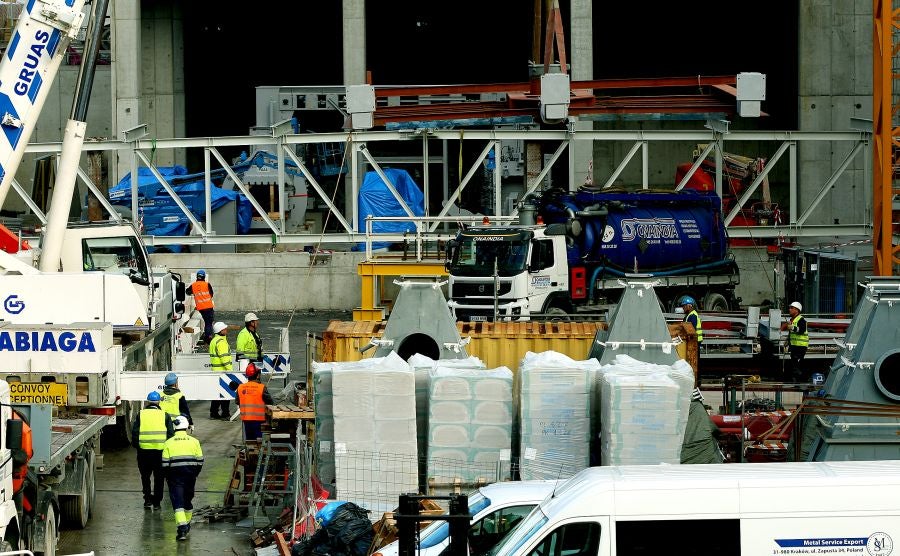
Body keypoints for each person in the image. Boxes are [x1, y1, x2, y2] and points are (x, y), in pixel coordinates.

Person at [162, 416, 204, 541]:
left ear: (174, 427)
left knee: (178, 502)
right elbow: (200, 461)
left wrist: (168, 476)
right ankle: (187, 524)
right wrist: (195, 474)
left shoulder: (168, 442)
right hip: (190, 475)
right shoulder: (194, 441)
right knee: (187, 501)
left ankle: (182, 530)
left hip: (175, 476)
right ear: (186, 427)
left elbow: (165, 463)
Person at [132, 391, 175, 510]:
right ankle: (157, 503)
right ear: (159, 402)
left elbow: (135, 432)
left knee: (145, 477)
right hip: (160, 452)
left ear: (148, 402)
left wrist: (137, 446)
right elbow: (170, 435)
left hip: (144, 452)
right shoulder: (165, 415)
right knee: (159, 478)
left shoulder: (141, 414)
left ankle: (147, 500)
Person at [232, 362, 274, 441]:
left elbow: (237, 401)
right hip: (259, 420)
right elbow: (270, 402)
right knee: (259, 441)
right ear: (258, 375)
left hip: (246, 419)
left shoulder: (240, 387)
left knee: (250, 441)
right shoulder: (261, 387)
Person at [209, 321, 233, 419]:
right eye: (224, 329)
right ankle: (225, 413)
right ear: (220, 331)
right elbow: (225, 358)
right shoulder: (221, 342)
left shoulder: (214, 340)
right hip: (223, 371)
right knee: (226, 394)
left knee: (217, 393)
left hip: (216, 370)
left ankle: (214, 412)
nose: (226, 330)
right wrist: (230, 370)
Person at [781, 301, 808, 382]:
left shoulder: (801, 320)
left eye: (791, 308)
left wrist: (793, 327)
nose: (789, 309)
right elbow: (791, 333)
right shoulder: (792, 320)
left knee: (797, 365)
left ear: (797, 310)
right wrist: (787, 340)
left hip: (800, 346)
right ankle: (796, 381)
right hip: (794, 346)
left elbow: (802, 330)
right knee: (794, 364)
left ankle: (800, 381)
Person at [187, 269, 215, 343]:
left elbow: (187, 292)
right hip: (208, 307)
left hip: (200, 308)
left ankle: (207, 336)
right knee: (209, 323)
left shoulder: (193, 285)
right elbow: (211, 294)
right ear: (204, 277)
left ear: (197, 276)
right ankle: (208, 338)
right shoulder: (207, 284)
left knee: (206, 321)